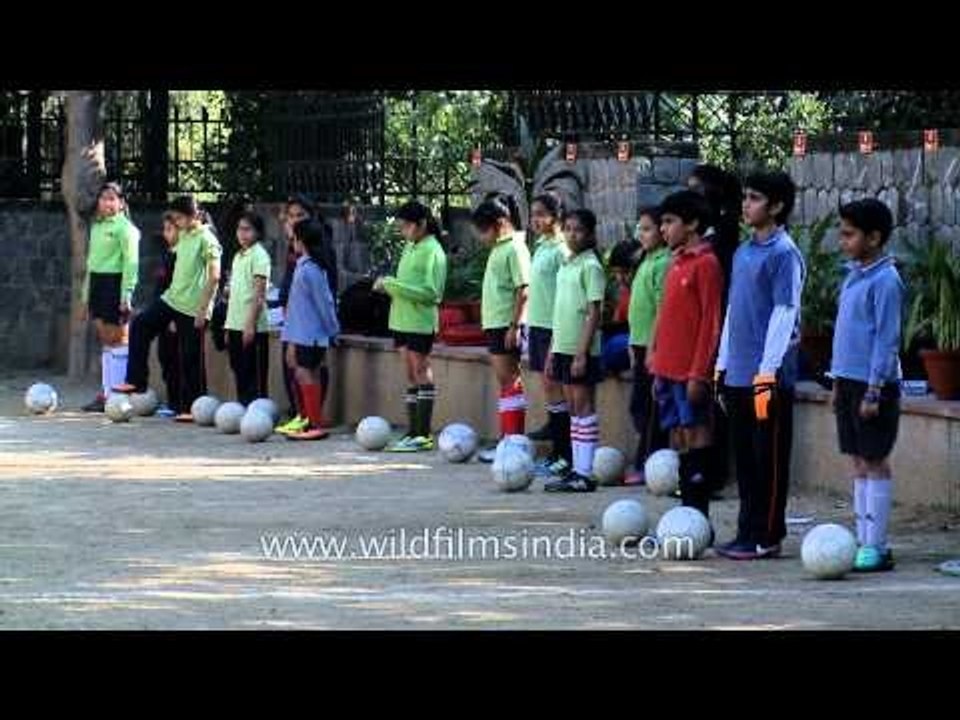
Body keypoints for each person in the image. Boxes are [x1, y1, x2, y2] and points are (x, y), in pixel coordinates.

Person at [715, 172, 804, 560]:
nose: (745, 205)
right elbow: (734, 310)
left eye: (754, 198)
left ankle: (767, 534)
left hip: (767, 378)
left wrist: (767, 371)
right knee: (746, 460)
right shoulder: (743, 252)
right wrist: (721, 363)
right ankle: (745, 531)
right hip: (737, 372)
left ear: (777, 206)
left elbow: (785, 314)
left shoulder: (785, 254)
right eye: (745, 197)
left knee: (768, 460)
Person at [830, 198, 903, 572]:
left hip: (874, 387)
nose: (843, 240)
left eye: (850, 234)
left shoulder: (886, 280)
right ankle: (861, 537)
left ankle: (876, 544)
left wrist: (874, 390)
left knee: (875, 460)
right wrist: (837, 383)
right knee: (857, 460)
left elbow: (886, 340)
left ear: (874, 237)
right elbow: (846, 336)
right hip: (849, 382)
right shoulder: (853, 275)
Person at [648, 190, 724, 529]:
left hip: (690, 372)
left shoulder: (706, 264)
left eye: (669, 222)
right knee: (678, 435)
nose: (663, 229)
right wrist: (656, 363)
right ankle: (684, 510)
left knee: (698, 433)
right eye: (662, 222)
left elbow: (710, 322)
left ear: (692, 224)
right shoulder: (676, 261)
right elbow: (665, 317)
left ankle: (698, 515)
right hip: (667, 369)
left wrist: (699, 373)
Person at [113, 195, 221, 423]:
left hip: (193, 309)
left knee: (191, 359)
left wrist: (204, 310)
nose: (177, 223)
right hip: (171, 300)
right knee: (140, 325)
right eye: (175, 219)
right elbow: (171, 247)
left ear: (195, 216)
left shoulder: (208, 239)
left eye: (180, 218)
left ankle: (193, 408)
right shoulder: (183, 235)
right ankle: (137, 379)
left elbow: (215, 276)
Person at [373, 201, 448, 453]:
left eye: (406, 226)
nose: (403, 231)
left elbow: (431, 293)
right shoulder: (410, 246)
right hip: (400, 320)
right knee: (409, 373)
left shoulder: (433, 250)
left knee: (420, 369)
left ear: (421, 224)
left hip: (420, 321)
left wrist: (391, 285)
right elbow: (405, 283)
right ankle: (413, 431)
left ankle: (423, 434)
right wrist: (388, 286)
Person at [543, 209, 607, 493]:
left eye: (578, 229)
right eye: (567, 228)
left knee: (583, 407)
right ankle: (576, 468)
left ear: (590, 234)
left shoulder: (591, 266)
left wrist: (582, 353)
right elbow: (560, 312)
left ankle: (585, 472)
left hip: (581, 349)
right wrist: (553, 351)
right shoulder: (567, 264)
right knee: (572, 408)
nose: (571, 234)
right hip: (563, 348)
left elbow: (594, 312)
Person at [472, 195, 531, 463]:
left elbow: (524, 288)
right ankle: (507, 438)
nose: (481, 237)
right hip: (495, 322)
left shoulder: (515, 248)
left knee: (510, 381)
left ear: (500, 224)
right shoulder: (499, 247)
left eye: (483, 231)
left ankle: (512, 441)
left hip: (505, 323)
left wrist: (515, 325)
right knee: (505, 382)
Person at [524, 194, 572, 477]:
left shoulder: (560, 250)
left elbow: (566, 294)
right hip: (538, 326)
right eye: (533, 214)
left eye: (542, 214)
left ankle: (564, 454)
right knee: (549, 390)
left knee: (557, 389)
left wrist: (558, 333)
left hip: (555, 328)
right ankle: (556, 452)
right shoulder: (540, 246)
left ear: (556, 216)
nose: (536, 220)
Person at [81, 182, 140, 412]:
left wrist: (126, 294)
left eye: (112, 198)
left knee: (119, 339)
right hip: (97, 283)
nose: (107, 202)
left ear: (122, 203)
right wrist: (86, 297)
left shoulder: (127, 229)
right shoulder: (96, 227)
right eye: (104, 198)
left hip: (115, 284)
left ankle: (120, 395)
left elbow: (131, 264)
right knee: (105, 340)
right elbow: (90, 264)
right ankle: (106, 394)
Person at [281, 220, 340, 440]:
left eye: (295, 238)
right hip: (302, 334)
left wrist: (333, 330)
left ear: (302, 241)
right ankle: (308, 422)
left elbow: (324, 303)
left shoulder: (311, 270)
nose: (292, 242)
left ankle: (314, 424)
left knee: (306, 374)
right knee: (304, 373)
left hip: (311, 335)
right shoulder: (303, 267)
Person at [624, 206, 671, 485]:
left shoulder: (664, 263)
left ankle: (650, 463)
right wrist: (633, 344)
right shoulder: (647, 259)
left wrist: (652, 348)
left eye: (647, 228)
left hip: (653, 347)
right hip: (640, 344)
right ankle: (646, 460)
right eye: (639, 228)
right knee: (639, 406)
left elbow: (661, 310)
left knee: (650, 408)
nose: (641, 234)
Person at [224, 210, 271, 405]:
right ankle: (244, 411)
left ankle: (258, 413)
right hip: (234, 324)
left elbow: (259, 294)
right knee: (239, 370)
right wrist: (228, 325)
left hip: (253, 326)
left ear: (258, 232)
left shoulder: (260, 255)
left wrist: (250, 325)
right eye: (239, 229)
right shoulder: (238, 256)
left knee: (254, 375)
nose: (242, 234)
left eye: (247, 229)